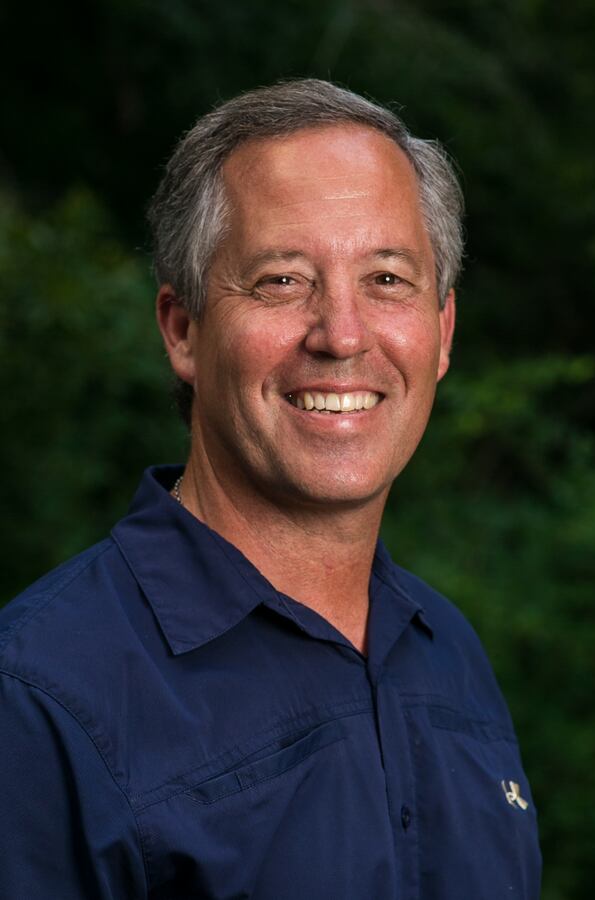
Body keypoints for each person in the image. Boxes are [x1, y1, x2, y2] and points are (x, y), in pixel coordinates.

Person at [0, 79, 541, 898]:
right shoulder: (37, 700)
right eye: (283, 280)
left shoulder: (450, 656)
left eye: (388, 279)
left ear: (443, 332)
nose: (344, 335)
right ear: (182, 329)